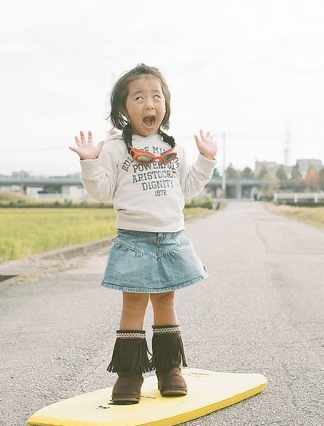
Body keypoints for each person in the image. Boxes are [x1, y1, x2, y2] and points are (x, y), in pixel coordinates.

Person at [69, 64, 217, 404]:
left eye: (156, 96)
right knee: (133, 304)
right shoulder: (116, 147)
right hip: (134, 239)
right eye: (139, 98)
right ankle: (129, 374)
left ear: (165, 105)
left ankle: (168, 369)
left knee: (166, 302)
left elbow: (188, 188)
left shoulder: (174, 144)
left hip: (171, 237)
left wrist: (206, 159)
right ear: (124, 109)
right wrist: (90, 163)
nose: (149, 104)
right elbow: (102, 192)